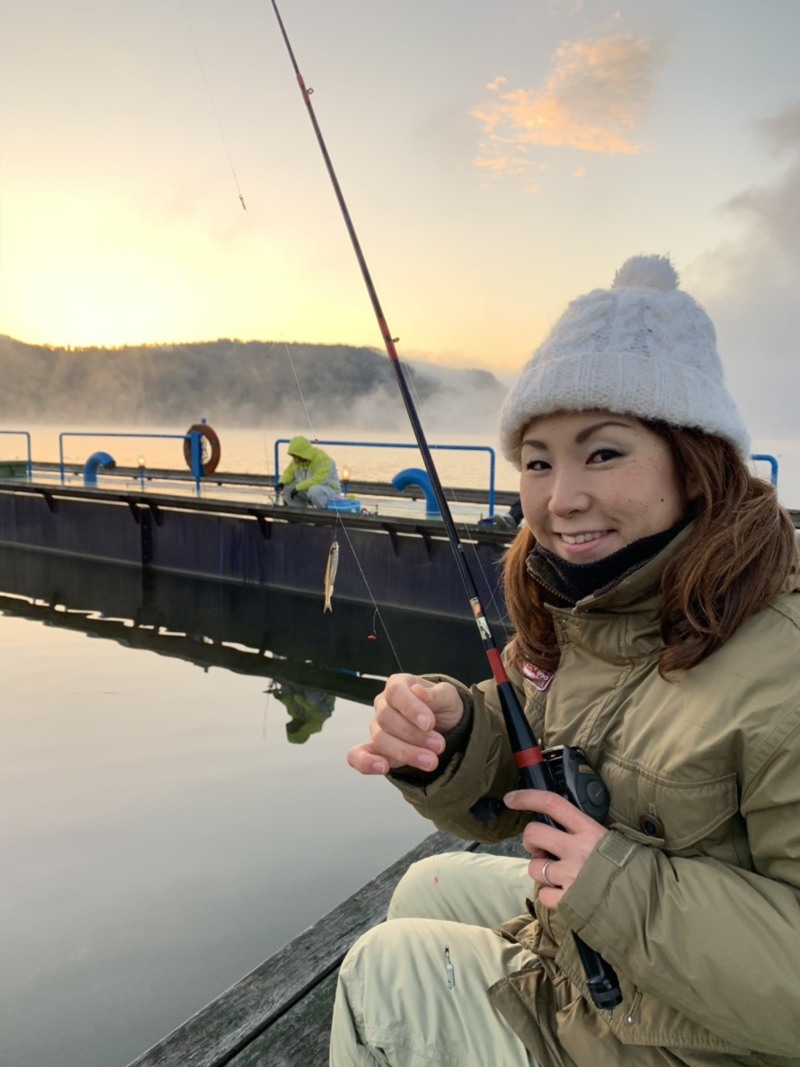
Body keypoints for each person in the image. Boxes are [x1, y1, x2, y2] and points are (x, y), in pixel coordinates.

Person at [331, 254, 800, 1067]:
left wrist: (615, 883)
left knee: (386, 975)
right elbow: (526, 771)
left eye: (604, 453)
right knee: (424, 886)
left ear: (696, 464)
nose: (560, 498)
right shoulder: (599, 606)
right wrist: (451, 732)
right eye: (539, 460)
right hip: (619, 977)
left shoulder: (782, 668)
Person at [277, 434, 341, 508]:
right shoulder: (297, 461)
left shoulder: (322, 459)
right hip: (307, 489)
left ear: (303, 453)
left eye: (297, 456)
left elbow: (319, 479)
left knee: (314, 491)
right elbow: (289, 472)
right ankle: (299, 514)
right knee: (287, 489)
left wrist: (298, 487)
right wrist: (282, 482)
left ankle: (325, 514)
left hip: (329, 490)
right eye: (294, 456)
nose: (295, 459)